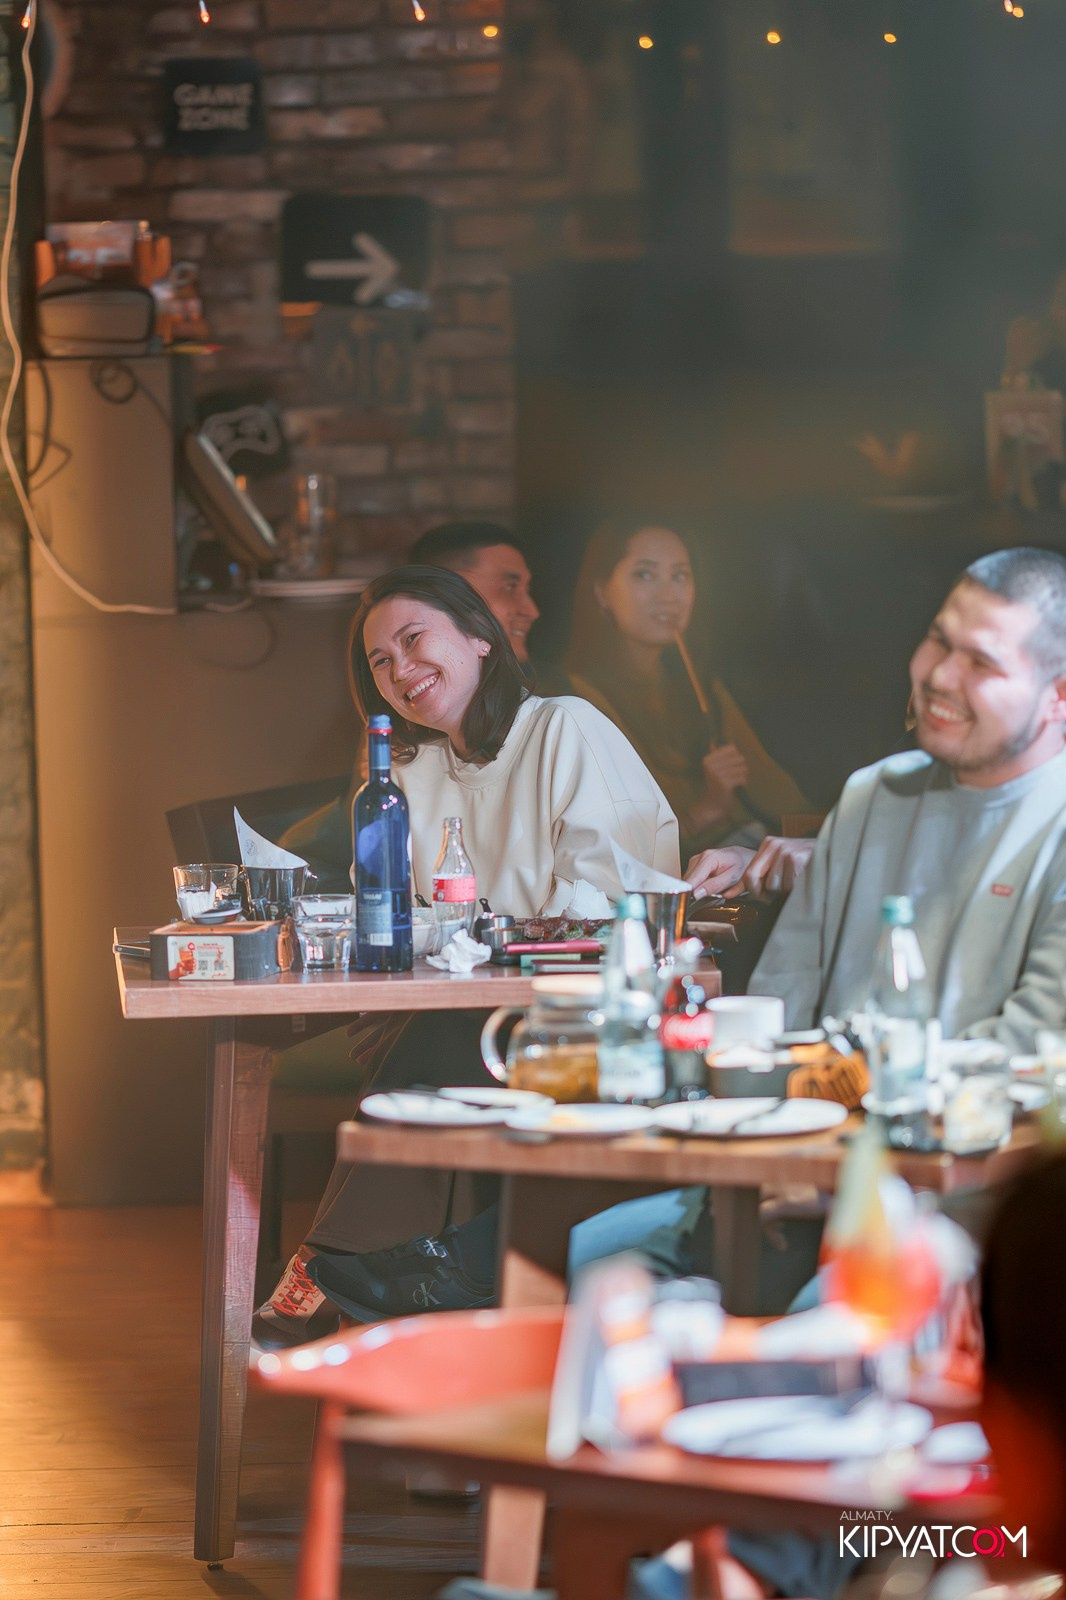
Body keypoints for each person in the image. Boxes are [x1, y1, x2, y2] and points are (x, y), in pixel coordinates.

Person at [254, 564, 678, 1348]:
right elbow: (404, 915)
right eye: (380, 661)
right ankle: (389, 1284)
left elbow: (608, 905)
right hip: (454, 1019)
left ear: (480, 639)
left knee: (443, 1047)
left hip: (587, 1019)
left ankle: (327, 1265)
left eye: (413, 639)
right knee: (432, 1040)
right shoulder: (410, 770)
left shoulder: (563, 729)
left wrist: (476, 942)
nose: (399, 670)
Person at [689, 545, 1066, 1050]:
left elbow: (1030, 1046)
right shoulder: (875, 794)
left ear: (1057, 697)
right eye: (938, 641)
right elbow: (786, 990)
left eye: (981, 662)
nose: (938, 677)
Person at [566, 516, 809, 859]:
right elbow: (602, 846)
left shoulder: (704, 695)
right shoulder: (579, 703)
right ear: (601, 591)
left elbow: (783, 801)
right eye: (645, 574)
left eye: (680, 576)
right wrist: (705, 810)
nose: (668, 596)